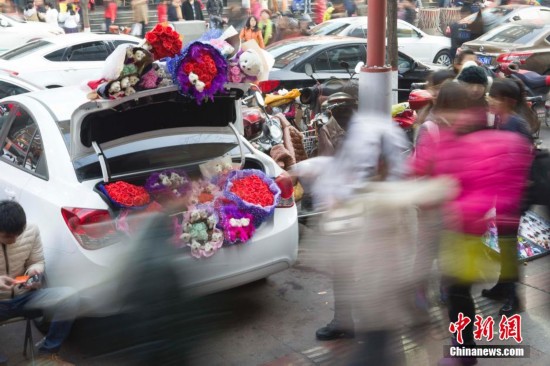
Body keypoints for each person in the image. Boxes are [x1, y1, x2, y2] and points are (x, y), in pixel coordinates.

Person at [410, 81, 533, 366]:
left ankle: (464, 352)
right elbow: (428, 166)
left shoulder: (483, 137)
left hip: (465, 228)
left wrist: (456, 205)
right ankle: (463, 348)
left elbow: (486, 185)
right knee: (457, 291)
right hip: (462, 228)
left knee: (458, 292)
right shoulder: (473, 132)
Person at [0, 200, 79, 366]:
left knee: (70, 297)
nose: (14, 240)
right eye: (8, 236)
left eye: (18, 234)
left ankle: (48, 352)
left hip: (25, 297)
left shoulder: (31, 230)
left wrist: (34, 272)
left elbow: (36, 261)